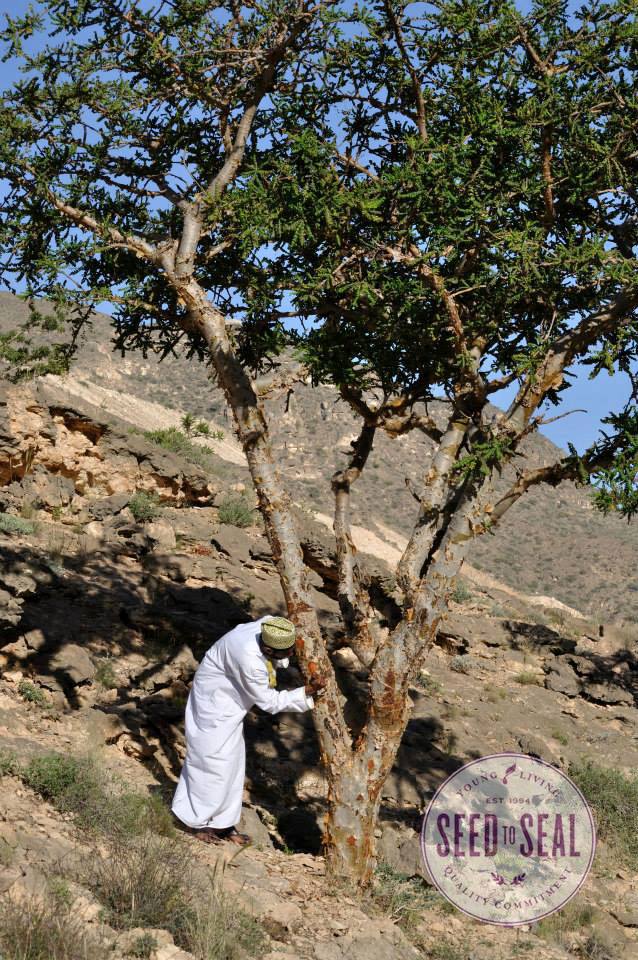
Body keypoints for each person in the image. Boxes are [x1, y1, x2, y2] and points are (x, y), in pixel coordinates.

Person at [172, 614, 326, 845]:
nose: (292, 655)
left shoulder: (268, 626)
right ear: (269, 650)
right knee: (210, 763)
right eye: (287, 652)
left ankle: (222, 824)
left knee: (232, 765)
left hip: (233, 703)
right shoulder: (249, 659)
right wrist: (307, 693)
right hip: (215, 704)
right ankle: (195, 822)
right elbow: (270, 703)